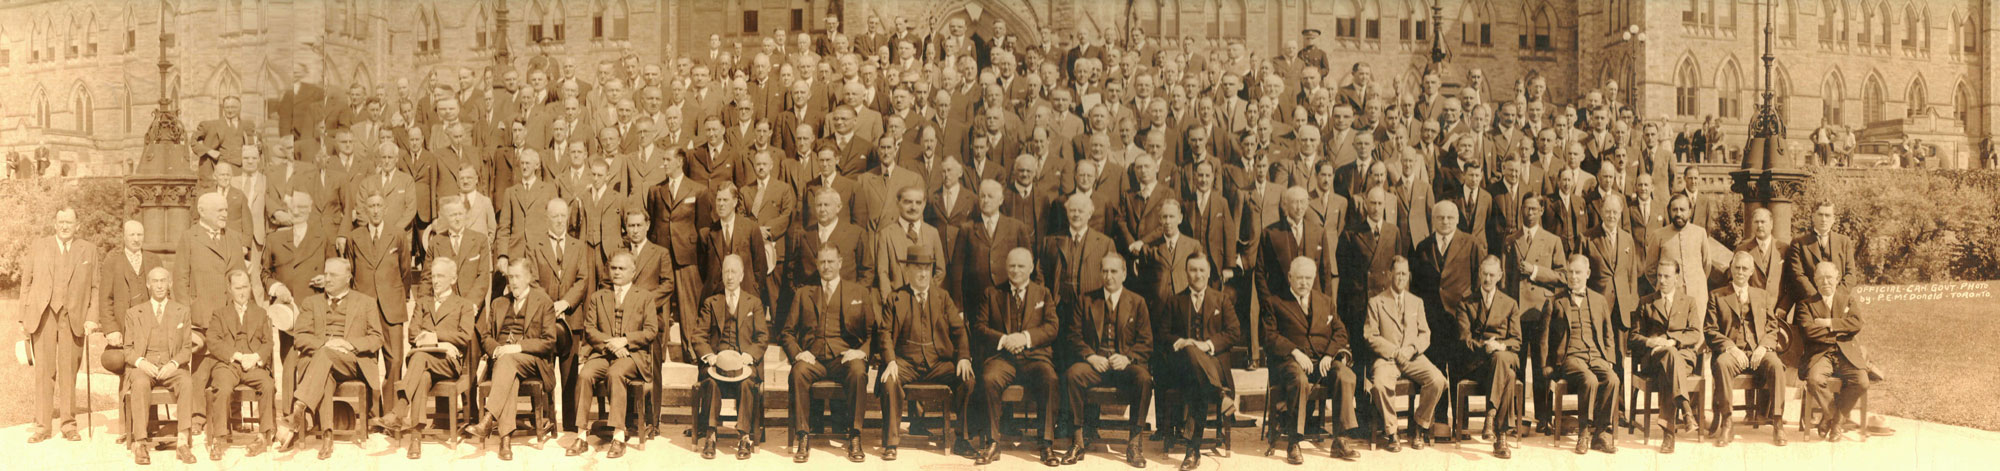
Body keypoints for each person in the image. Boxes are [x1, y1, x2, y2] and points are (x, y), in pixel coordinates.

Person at [783, 247, 880, 463]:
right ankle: (803, 436)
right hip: (813, 359)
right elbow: (787, 333)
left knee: (857, 371)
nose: (826, 266)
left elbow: (874, 333)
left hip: (843, 358)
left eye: (830, 261)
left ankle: (854, 436)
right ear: (817, 265)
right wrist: (798, 353)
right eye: (822, 262)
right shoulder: (803, 293)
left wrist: (861, 352)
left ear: (840, 262)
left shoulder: (859, 293)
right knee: (798, 372)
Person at [282, 258, 385, 460]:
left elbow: (377, 338)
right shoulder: (311, 303)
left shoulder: (366, 302)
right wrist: (325, 345)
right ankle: (327, 437)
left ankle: (300, 405)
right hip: (322, 362)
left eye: (333, 275)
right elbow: (300, 337)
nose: (327, 279)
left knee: (324, 357)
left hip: (352, 362)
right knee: (325, 369)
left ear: (348, 278)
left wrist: (349, 344)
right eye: (326, 274)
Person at [1058, 253, 1154, 467]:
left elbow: (1146, 342)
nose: (1109, 276)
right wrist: (1091, 356)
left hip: (1124, 367)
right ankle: (1078, 441)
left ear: (1124, 273)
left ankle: (1134, 444)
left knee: (1144, 379)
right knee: (1073, 374)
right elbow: (1073, 336)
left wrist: (1128, 358)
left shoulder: (1137, 302)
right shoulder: (1086, 299)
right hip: (1095, 364)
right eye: (1105, 271)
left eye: (1114, 271)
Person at [970, 248, 1062, 466]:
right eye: (1012, 265)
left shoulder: (1043, 293)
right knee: (989, 379)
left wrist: (1024, 337)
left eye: (1021, 266)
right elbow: (979, 327)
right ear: (1006, 267)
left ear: (1031, 268)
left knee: (1050, 379)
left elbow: (1052, 327)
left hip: (1035, 358)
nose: (1016, 270)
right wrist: (1004, 340)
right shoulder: (992, 293)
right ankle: (993, 442)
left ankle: (1046, 443)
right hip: (1002, 359)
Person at [1264, 256, 1359, 464]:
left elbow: (1341, 332)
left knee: (1345, 375)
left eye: (1308, 278)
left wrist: (1329, 354)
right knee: (1298, 379)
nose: (1304, 283)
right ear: (1290, 277)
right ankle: (1294, 442)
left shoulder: (1325, 301)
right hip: (1290, 362)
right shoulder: (1275, 302)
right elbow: (1269, 337)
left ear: (1314, 278)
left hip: (1321, 361)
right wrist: (1295, 352)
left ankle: (1340, 439)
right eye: (1299, 278)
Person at [567, 252, 660, 458]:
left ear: (633, 272)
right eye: (614, 268)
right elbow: (590, 329)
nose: (617, 272)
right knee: (584, 375)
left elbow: (651, 331)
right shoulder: (598, 297)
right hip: (603, 353)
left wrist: (625, 340)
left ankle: (618, 437)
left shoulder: (644, 297)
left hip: (632, 356)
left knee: (616, 373)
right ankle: (581, 435)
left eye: (622, 268)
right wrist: (612, 345)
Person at [19, 208, 98, 444]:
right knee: (44, 372)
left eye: (69, 222)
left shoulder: (89, 250)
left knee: (68, 372)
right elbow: (27, 281)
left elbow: (95, 286)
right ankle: (42, 426)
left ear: (78, 225)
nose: (65, 226)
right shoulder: (39, 246)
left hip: (73, 317)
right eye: (61, 221)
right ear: (55, 224)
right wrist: (23, 317)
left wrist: (92, 316)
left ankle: (69, 424)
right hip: (43, 316)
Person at [468, 261, 561, 461]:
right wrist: (497, 350)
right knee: (509, 372)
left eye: (518, 276)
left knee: (508, 362)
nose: (514, 281)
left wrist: (518, 347)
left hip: (533, 362)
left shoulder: (543, 302)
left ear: (528, 278)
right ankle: (505, 442)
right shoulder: (498, 303)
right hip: (504, 362)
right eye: (511, 277)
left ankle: (489, 417)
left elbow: (549, 342)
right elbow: (486, 337)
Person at [1156, 254, 1239, 470]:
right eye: (1193, 270)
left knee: (1197, 382)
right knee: (1191, 356)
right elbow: (1162, 335)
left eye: (1202, 270)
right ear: (1186, 272)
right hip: (1182, 368)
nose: (1198, 274)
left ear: (1209, 272)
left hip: (1214, 366)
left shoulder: (1222, 299)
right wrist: (1182, 342)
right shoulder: (1175, 301)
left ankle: (1192, 452)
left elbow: (1234, 333)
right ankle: (1219, 396)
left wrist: (1208, 344)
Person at [1706, 251, 1790, 447]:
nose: (1740, 272)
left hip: (1759, 351)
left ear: (1751, 272)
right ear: (1731, 268)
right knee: (1722, 364)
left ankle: (1777, 422)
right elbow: (1710, 330)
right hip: (1732, 352)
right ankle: (1727, 421)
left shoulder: (1762, 296)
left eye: (1745, 268)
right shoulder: (1717, 296)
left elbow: (1772, 327)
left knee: (1776, 365)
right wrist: (1730, 348)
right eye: (1737, 267)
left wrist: (1764, 347)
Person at [1363, 257, 1447, 451]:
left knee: (1437, 380)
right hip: (1387, 358)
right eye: (1397, 273)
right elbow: (1370, 335)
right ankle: (1392, 432)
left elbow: (1425, 334)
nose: (1401, 278)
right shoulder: (1376, 302)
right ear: (1390, 274)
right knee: (1380, 384)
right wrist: (1394, 351)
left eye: (1404, 274)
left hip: (1412, 357)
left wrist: (1411, 350)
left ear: (1408, 275)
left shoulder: (1416, 302)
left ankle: (1419, 425)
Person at [689, 255, 768, 460]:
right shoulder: (711, 302)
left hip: (743, 364)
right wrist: (710, 356)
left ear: (742, 275)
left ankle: (743, 437)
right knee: (711, 382)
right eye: (726, 272)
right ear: (721, 274)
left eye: (734, 272)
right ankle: (711, 435)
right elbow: (698, 335)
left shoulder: (754, 303)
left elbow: (762, 337)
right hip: (717, 363)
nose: (730, 276)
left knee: (746, 383)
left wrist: (749, 356)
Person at [1542, 254, 1620, 455]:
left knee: (1612, 379)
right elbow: (1543, 339)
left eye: (1578, 272)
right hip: (1570, 357)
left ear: (1588, 273)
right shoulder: (1554, 301)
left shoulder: (1599, 300)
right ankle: (1584, 433)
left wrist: (1609, 360)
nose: (1574, 276)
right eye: (1570, 272)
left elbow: (1608, 333)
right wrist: (1547, 367)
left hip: (1595, 355)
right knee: (1589, 379)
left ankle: (1600, 433)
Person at [122, 267, 200, 464]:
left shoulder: (182, 311)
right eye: (155, 281)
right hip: (144, 366)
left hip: (171, 366)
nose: (159, 285)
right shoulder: (133, 313)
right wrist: (141, 363)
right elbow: (128, 349)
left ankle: (182, 442)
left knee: (186, 382)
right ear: (148, 285)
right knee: (139, 384)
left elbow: (187, 348)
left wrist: (174, 363)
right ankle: (140, 443)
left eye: (163, 281)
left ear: (169, 284)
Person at [200, 270, 279, 461]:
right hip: (229, 365)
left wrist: (255, 357)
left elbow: (268, 342)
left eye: (245, 287)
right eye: (238, 288)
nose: (242, 292)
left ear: (250, 288)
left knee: (268, 385)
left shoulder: (260, 313)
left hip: (253, 364)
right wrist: (236, 355)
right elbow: (213, 340)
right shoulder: (219, 314)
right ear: (229, 289)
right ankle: (219, 438)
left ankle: (262, 437)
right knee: (223, 388)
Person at [1452, 256, 1523, 458]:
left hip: (1505, 355)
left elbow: (1517, 341)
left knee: (1501, 358)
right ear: (1479, 274)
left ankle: (1490, 415)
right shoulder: (1466, 303)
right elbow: (1463, 339)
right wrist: (1485, 348)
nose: (1488, 278)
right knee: (1508, 376)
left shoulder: (1510, 303)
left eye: (1492, 274)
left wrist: (1499, 346)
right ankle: (1501, 438)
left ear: (1500, 276)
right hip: (1479, 362)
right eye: (1484, 274)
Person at [1630, 259, 1702, 453]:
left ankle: (1668, 435)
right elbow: (1633, 337)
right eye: (1659, 275)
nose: (1661, 280)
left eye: (1667, 276)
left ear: (1677, 278)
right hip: (1654, 358)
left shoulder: (1688, 302)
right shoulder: (1646, 302)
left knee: (1669, 364)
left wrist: (1672, 341)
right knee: (1667, 360)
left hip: (1682, 358)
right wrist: (1650, 342)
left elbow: (1695, 333)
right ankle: (1686, 411)